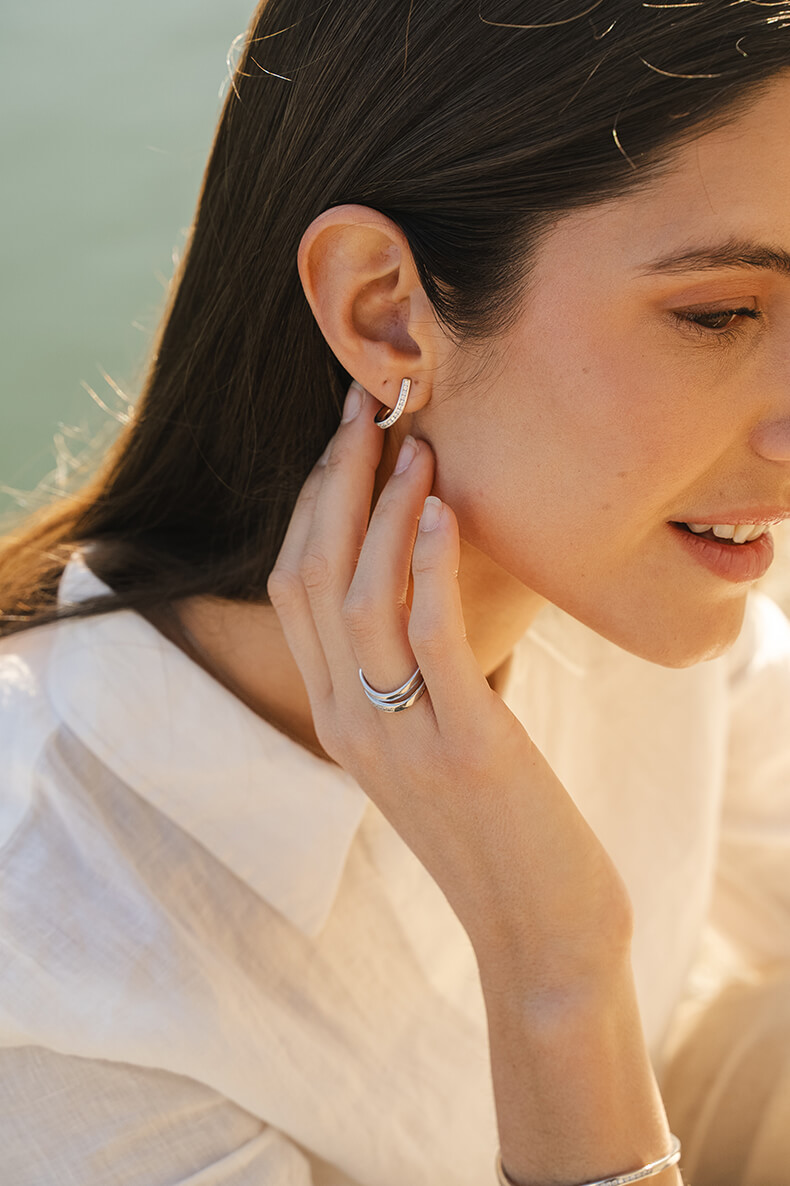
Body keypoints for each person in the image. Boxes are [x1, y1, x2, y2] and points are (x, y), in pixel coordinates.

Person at [1, 1, 790, 1182]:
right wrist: (555, 970)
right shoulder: (49, 952)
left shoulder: (639, 602)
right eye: (721, 313)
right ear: (385, 309)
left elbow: (735, 1064)